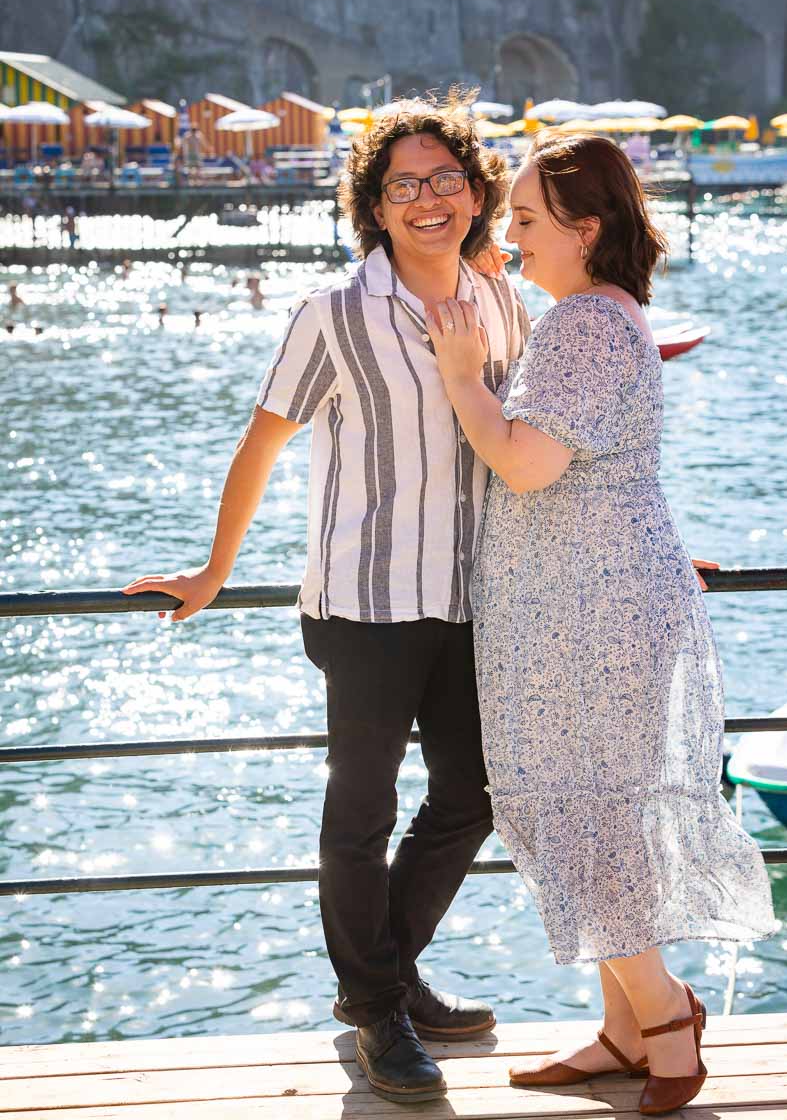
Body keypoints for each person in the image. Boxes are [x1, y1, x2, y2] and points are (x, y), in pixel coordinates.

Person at [122, 92, 530, 1106]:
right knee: (358, 815)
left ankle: (382, 982)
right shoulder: (333, 314)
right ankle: (381, 1009)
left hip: (473, 598)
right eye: (404, 187)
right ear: (376, 208)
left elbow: (528, 445)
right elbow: (262, 442)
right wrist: (213, 571)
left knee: (473, 794)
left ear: (476, 194)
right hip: (363, 604)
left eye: (445, 180)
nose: (428, 200)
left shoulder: (497, 301)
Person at [425, 130, 777, 1117]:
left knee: (575, 817)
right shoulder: (598, 317)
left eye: (527, 220)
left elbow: (529, 464)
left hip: (590, 618)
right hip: (584, 609)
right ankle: (623, 1030)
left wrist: (460, 375)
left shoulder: (583, 324)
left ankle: (665, 1026)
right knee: (584, 816)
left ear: (583, 229)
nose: (509, 235)